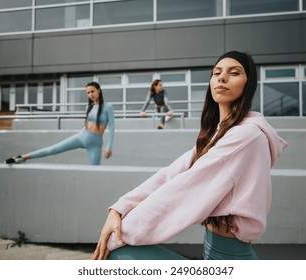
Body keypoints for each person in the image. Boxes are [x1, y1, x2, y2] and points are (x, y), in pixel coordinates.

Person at [91, 51, 287, 260]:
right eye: (216, 72)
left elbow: (182, 189)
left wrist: (117, 237)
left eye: (235, 72)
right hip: (214, 252)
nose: (222, 77)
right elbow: (171, 174)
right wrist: (119, 209)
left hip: (232, 257)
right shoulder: (219, 134)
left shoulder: (245, 136)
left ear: (248, 85)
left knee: (119, 253)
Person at [5, 82, 115, 166]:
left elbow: (112, 127)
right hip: (82, 136)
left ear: (99, 91)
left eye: (92, 91)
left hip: (95, 144)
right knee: (52, 149)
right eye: (88, 92)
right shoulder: (89, 107)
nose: (90, 94)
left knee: (94, 171)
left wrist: (109, 146)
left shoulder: (108, 107)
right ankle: (22, 157)